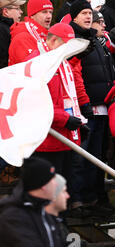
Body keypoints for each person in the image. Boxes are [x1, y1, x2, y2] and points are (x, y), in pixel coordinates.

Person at [68, 0, 115, 216]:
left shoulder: (96, 40)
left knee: (98, 156)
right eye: (84, 13)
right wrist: (83, 103)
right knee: (82, 156)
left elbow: (109, 71)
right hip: (85, 106)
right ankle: (77, 200)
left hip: (102, 105)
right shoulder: (73, 39)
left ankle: (94, 198)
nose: (88, 17)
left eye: (90, 13)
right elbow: (75, 74)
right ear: (74, 17)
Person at [0, 157, 102, 247]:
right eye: (52, 180)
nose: (56, 184)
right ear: (43, 186)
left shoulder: (46, 214)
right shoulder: (14, 217)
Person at [27, 23, 85, 205]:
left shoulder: (61, 61)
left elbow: (69, 97)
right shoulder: (40, 64)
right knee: (48, 197)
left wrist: (79, 122)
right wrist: (66, 119)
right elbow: (38, 105)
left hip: (63, 138)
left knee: (62, 196)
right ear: (53, 41)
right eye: (67, 46)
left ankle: (60, 228)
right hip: (47, 142)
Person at [8, 0, 53, 65]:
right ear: (32, 15)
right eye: (44, 12)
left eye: (50, 12)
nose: (49, 16)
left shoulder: (46, 35)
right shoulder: (22, 37)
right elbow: (31, 68)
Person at [0, 0, 26, 68]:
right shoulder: (2, 31)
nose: (21, 12)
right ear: (6, 12)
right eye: (17, 8)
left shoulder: (9, 28)